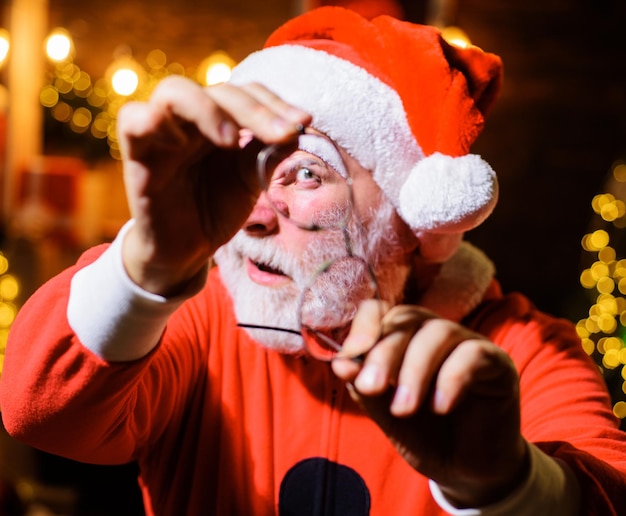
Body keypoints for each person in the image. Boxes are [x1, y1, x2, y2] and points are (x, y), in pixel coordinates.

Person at [1, 6, 625, 515]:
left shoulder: (522, 351)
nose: (251, 212)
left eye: (304, 172)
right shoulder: (202, 318)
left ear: (408, 213)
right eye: (243, 170)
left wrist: (508, 483)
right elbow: (40, 411)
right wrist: (147, 266)